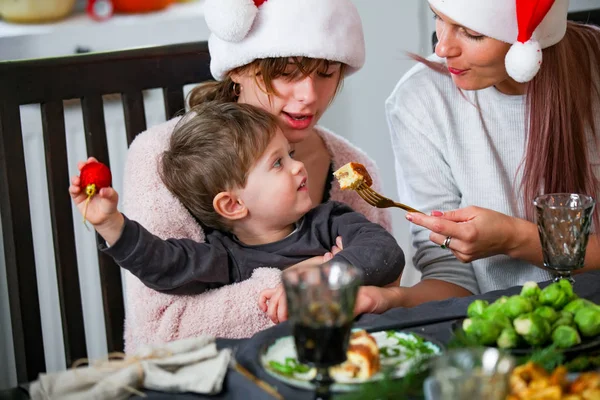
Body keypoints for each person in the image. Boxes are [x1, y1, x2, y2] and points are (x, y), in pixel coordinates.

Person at [118, 0, 393, 348]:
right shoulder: (160, 157)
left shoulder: (351, 169)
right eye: (285, 72)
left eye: (326, 72)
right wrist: (288, 288)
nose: (308, 95)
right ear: (237, 67)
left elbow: (382, 293)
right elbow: (159, 336)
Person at [353, 0, 600, 314]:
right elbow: (451, 278)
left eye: (471, 33)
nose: (442, 47)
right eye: (438, 18)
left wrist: (516, 239)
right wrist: (391, 300)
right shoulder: (419, 100)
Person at [69, 102, 403, 306]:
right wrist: (111, 225)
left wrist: (321, 278)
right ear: (232, 205)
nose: (297, 166)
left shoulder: (330, 220)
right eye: (277, 163)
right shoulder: (225, 258)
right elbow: (165, 264)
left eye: (290, 154)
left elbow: (385, 251)